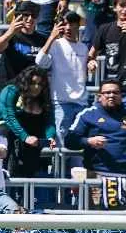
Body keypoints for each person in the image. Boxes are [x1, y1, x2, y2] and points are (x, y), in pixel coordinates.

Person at [66, 80, 126, 178]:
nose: (111, 95)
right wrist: (89, 141)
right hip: (96, 174)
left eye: (115, 92)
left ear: (121, 95)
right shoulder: (87, 114)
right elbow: (69, 141)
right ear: (100, 96)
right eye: (107, 93)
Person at [35, 11, 89, 144]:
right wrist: (52, 37)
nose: (68, 28)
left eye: (72, 24)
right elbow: (40, 61)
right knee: (61, 146)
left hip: (82, 103)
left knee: (79, 145)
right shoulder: (55, 45)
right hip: (61, 102)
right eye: (64, 24)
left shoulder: (83, 48)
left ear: (78, 26)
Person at [0, 66, 56, 178]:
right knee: (5, 130)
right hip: (6, 130)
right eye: (33, 83)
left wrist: (50, 136)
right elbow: (9, 117)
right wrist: (25, 137)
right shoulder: (10, 90)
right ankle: (2, 168)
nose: (37, 87)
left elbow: (49, 120)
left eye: (40, 84)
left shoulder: (42, 96)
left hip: (27, 134)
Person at [0, 0, 49, 87]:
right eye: (26, 15)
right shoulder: (9, 35)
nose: (30, 18)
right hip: (12, 88)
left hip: (33, 90)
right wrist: (10, 32)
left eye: (34, 15)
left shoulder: (42, 39)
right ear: (18, 16)